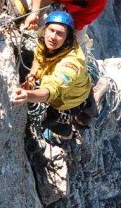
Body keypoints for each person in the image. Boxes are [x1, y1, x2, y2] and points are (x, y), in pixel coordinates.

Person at [12, 11, 96, 140]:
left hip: (71, 100)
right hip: (75, 88)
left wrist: (27, 95)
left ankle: (68, 134)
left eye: (60, 34)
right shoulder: (44, 42)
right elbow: (38, 59)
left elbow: (50, 90)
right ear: (45, 29)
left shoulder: (71, 64)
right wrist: (32, 76)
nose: (53, 37)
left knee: (50, 120)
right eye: (51, 30)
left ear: (67, 38)